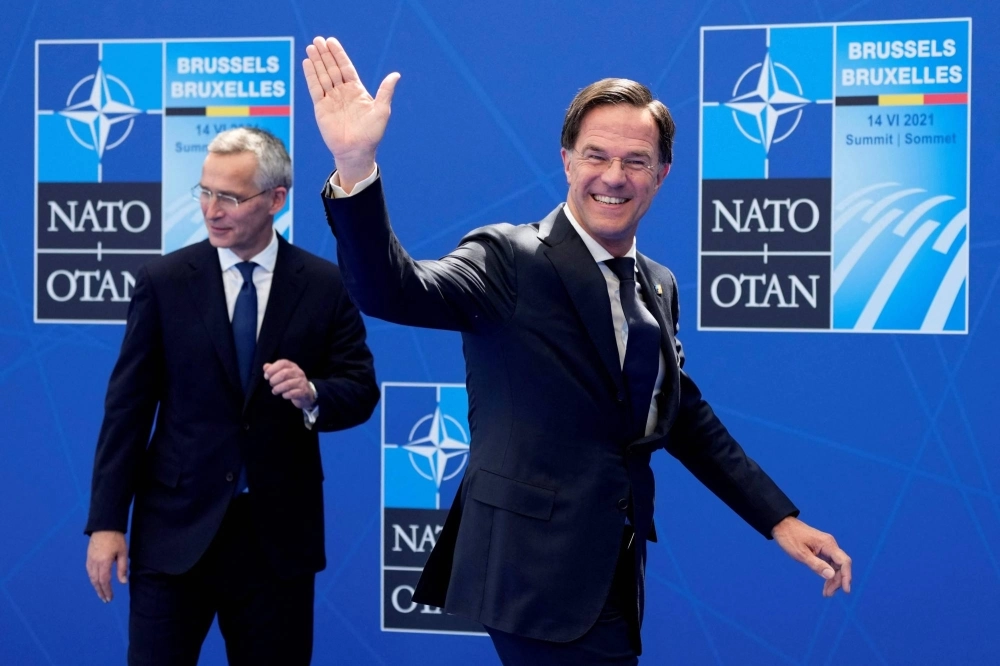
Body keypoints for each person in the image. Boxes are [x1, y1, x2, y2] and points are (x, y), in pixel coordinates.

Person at [305, 36, 851, 665]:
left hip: (613, 568)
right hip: (530, 575)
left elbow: (679, 416)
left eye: (636, 160)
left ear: (663, 174)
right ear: (566, 160)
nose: (614, 176)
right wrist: (354, 165)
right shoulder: (509, 257)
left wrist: (779, 519)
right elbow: (392, 289)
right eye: (596, 155)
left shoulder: (660, 284)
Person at [84, 126, 380, 666]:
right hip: (174, 536)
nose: (212, 210)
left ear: (276, 200)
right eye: (204, 192)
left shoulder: (323, 284)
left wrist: (314, 393)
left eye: (230, 197)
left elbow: (361, 390)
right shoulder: (164, 282)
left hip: (275, 545)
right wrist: (106, 522)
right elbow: (126, 411)